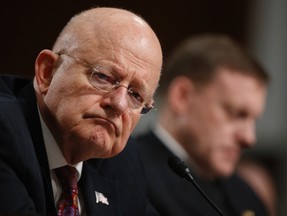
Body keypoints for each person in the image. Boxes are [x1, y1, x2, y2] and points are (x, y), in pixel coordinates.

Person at [0, 7, 162, 216]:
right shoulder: (4, 129)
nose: (119, 104)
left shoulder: (123, 164)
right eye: (103, 76)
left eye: (136, 96)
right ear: (47, 72)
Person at [136, 34, 270, 216]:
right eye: (235, 114)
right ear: (182, 97)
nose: (249, 138)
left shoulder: (246, 194)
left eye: (253, 120)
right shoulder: (128, 173)